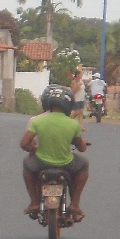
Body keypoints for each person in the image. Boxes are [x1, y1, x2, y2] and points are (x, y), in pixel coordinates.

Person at [22, 84, 89, 221]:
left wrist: (34, 150)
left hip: (41, 162)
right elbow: (81, 148)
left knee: (27, 165)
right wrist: (83, 142)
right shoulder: (73, 124)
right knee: (84, 165)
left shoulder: (37, 121)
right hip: (66, 162)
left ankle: (34, 202)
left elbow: (24, 144)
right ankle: (75, 204)